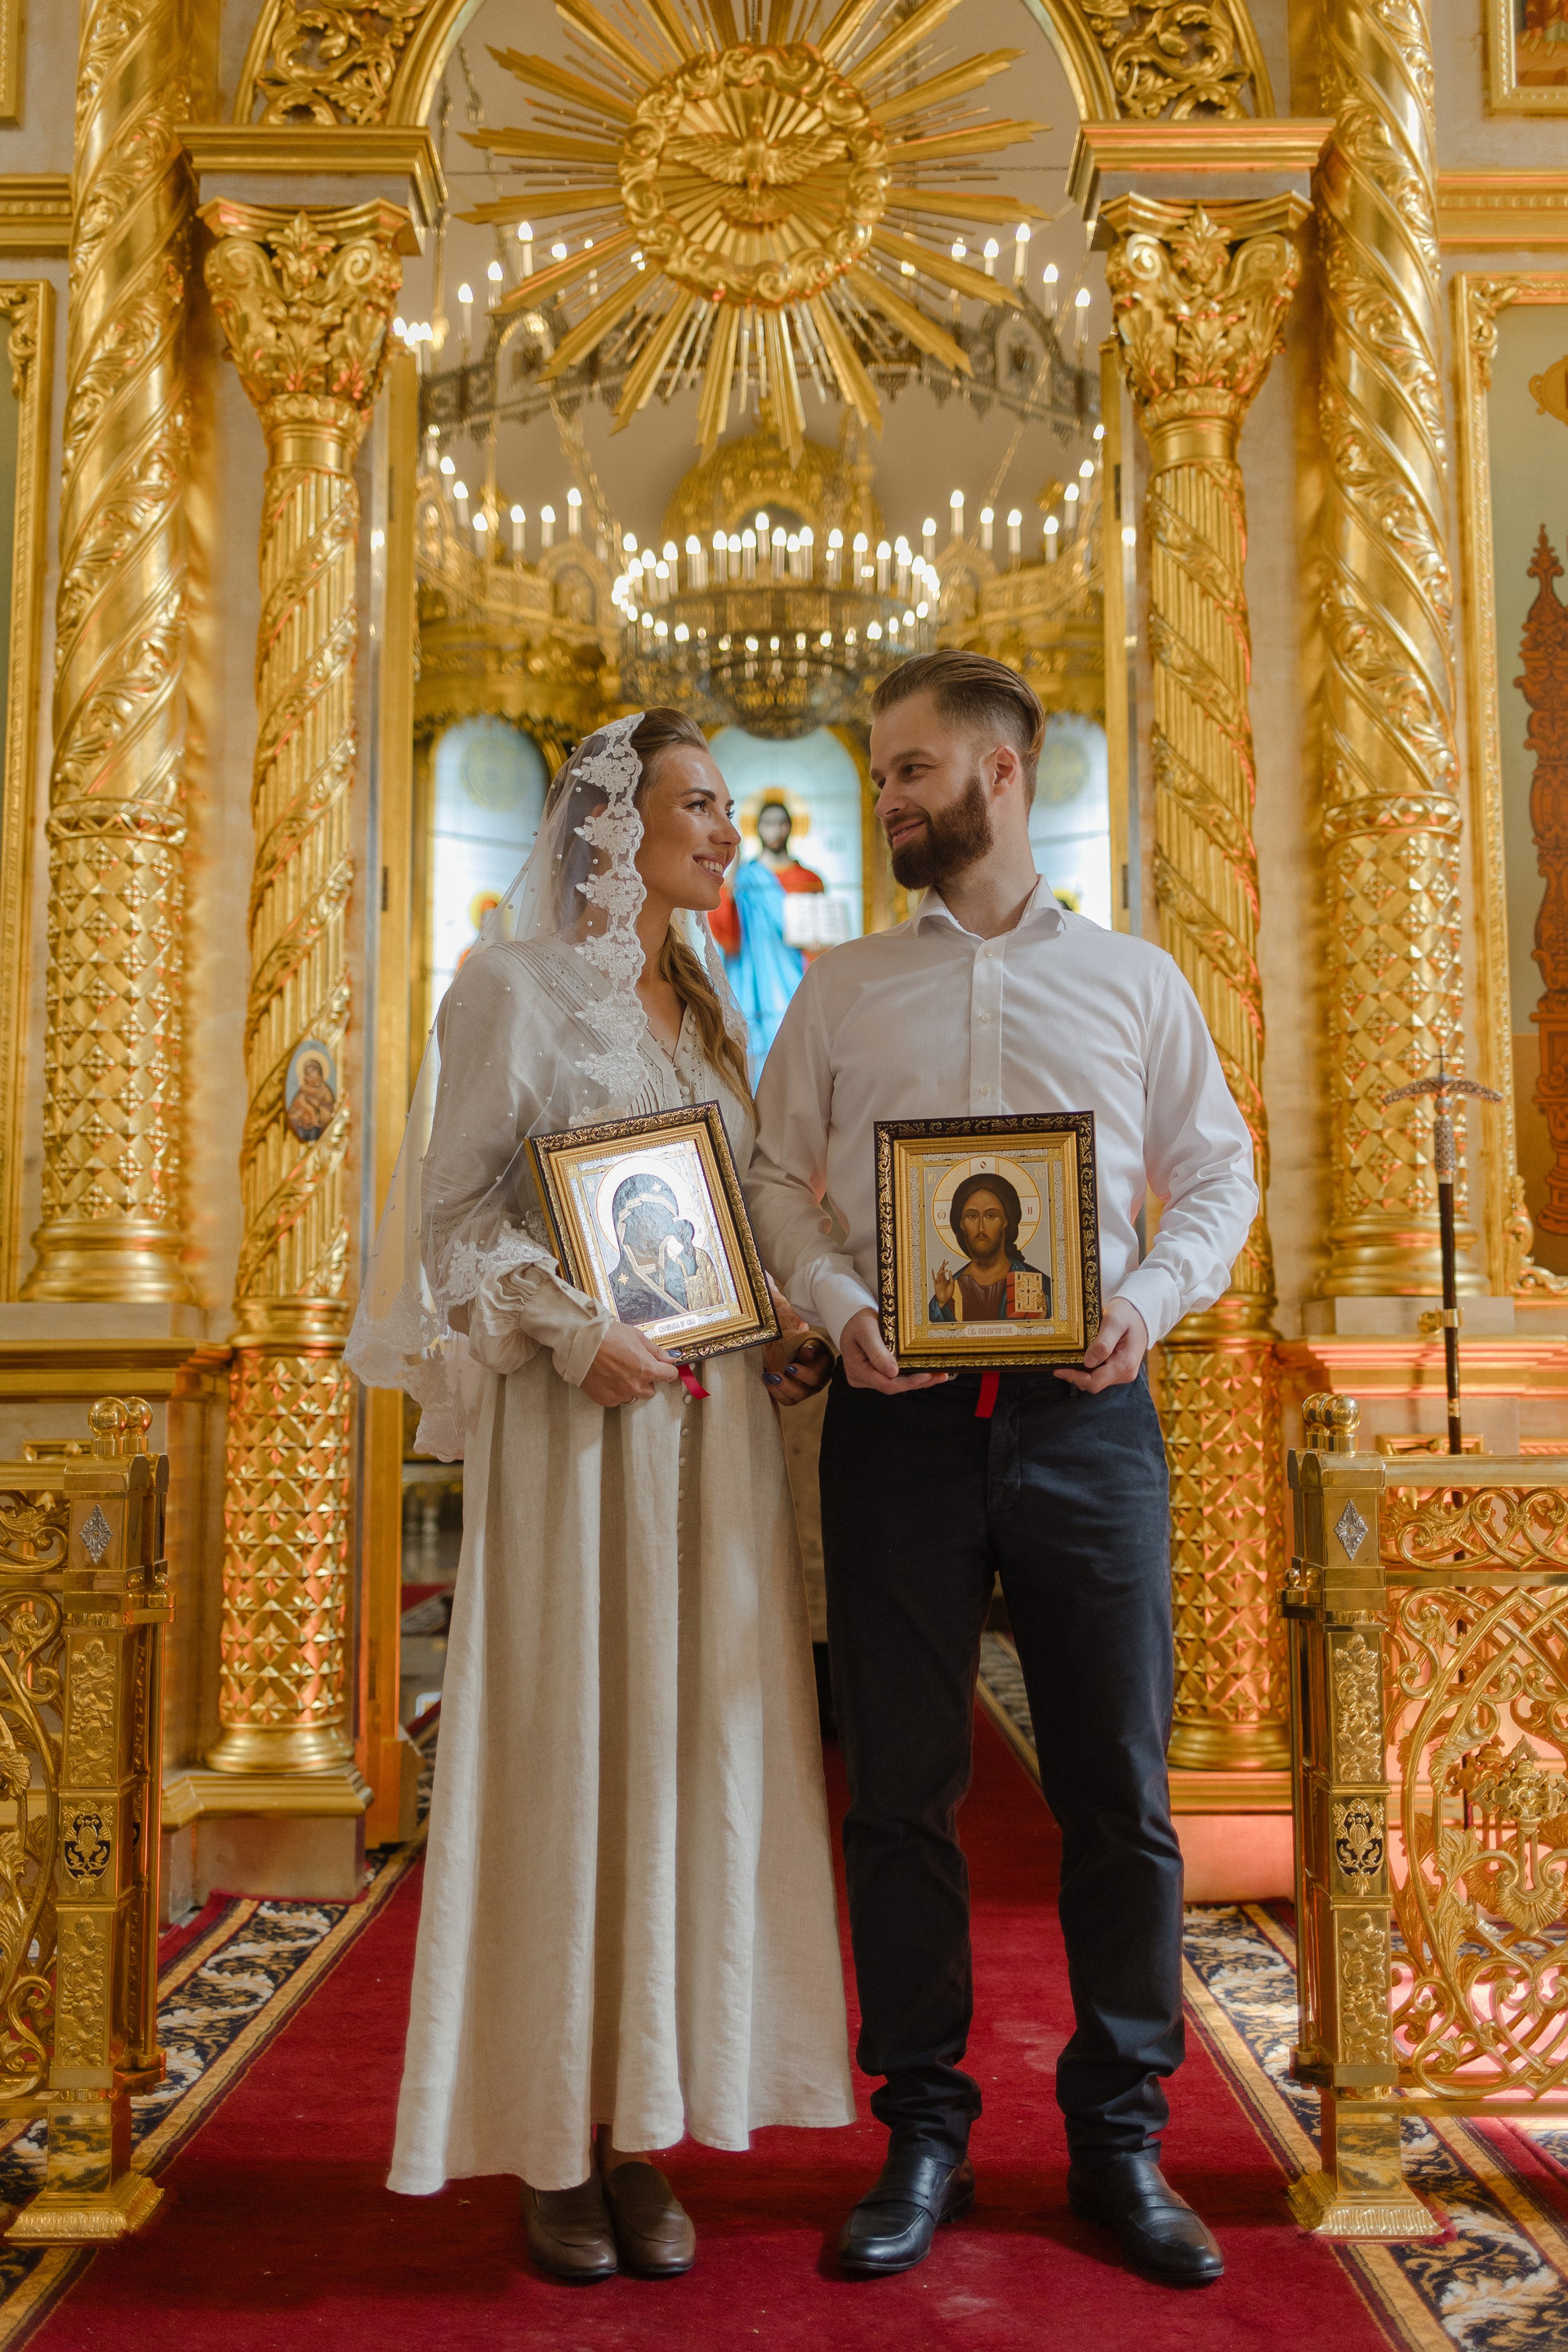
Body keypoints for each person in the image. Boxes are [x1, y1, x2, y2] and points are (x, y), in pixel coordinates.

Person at [745, 650, 1258, 2289]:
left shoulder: (1135, 982)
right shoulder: (842, 989)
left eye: (910, 770)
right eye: (881, 774)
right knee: (900, 1792)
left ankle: (1121, 2138)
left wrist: (1146, 1302)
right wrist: (839, 1302)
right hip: (895, 1428)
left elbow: (1220, 1175)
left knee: (1118, 1790)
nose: (886, 798)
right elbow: (772, 1179)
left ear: (1001, 774)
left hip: (1089, 1425)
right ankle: (924, 2131)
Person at [346, 710, 851, 2285]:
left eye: (726, 808)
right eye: (700, 804)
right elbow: (449, 1226)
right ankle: (551, 2142)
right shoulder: (508, 989)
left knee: (688, 1761)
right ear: (614, 822)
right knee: (572, 1754)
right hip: (577, 1438)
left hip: (711, 1450)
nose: (725, 832)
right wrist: (574, 1331)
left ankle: (644, 2129)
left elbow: (717, 1222)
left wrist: (776, 1323)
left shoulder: (704, 1004)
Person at [711, 797, 828, 1070]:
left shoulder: (809, 879)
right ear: (758, 828)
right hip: (752, 979)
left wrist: (819, 946)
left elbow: (822, 937)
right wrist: (730, 881)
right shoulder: (744, 877)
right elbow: (725, 932)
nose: (775, 830)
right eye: (768, 823)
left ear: (791, 827)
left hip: (796, 976)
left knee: (797, 1053)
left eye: (781, 823)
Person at [929, 1172, 1051, 1323]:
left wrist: (1041, 1320)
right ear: (961, 1224)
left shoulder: (1037, 1285)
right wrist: (941, 1305)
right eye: (972, 1216)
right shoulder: (950, 1291)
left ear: (1005, 1221)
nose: (981, 1228)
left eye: (991, 1216)